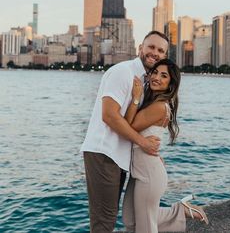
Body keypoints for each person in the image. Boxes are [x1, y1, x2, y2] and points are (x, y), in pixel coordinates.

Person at [80, 31, 169, 233]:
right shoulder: (124, 71)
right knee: (104, 221)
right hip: (104, 153)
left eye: (160, 50)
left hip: (119, 157)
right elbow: (109, 116)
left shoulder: (147, 82)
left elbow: (135, 123)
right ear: (140, 48)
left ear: (164, 57)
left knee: (110, 219)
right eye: (151, 47)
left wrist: (152, 153)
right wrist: (144, 143)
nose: (154, 53)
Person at [122, 58, 209, 233]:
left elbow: (126, 127)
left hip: (149, 173)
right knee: (130, 221)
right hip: (139, 170)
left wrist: (136, 97)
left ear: (170, 84)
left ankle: (181, 211)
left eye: (164, 76)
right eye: (155, 72)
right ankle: (180, 211)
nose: (156, 77)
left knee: (145, 225)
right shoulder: (154, 103)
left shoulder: (160, 107)